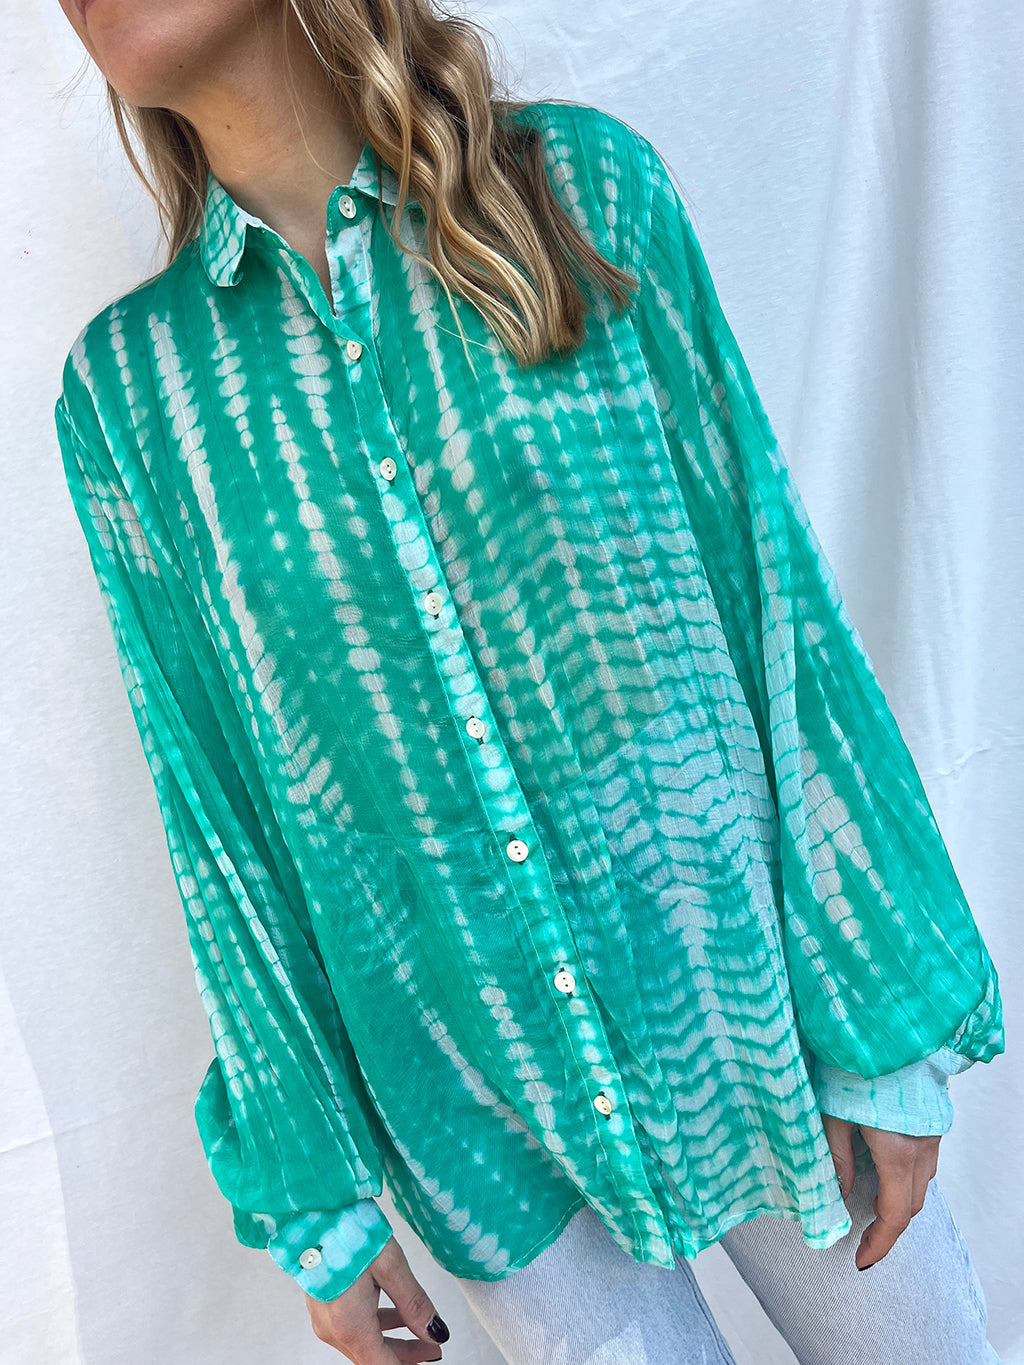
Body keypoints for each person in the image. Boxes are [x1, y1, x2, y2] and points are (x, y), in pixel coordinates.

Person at [53, 1, 1004, 1362]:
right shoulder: (132, 397)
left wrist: (876, 1002)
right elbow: (217, 818)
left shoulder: (581, 193)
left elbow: (771, 599)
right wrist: (312, 1186)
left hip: (742, 1006)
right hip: (466, 1102)